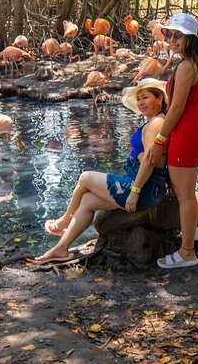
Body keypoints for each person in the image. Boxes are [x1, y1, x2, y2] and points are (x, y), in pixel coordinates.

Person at [36, 79, 169, 264]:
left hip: (143, 188)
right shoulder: (154, 121)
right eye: (138, 98)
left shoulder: (156, 122)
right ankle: (61, 248)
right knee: (87, 200)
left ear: (160, 98)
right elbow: (148, 156)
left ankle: (65, 221)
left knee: (85, 178)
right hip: (143, 184)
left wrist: (134, 192)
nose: (140, 102)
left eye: (145, 97)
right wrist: (138, 155)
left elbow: (151, 160)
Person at [147, 13, 198, 269]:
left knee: (184, 195)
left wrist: (159, 139)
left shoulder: (187, 66)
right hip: (194, 132)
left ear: (190, 39)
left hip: (187, 134)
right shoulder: (194, 62)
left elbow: (176, 109)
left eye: (178, 35)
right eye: (169, 34)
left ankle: (187, 252)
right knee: (184, 189)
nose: (172, 40)